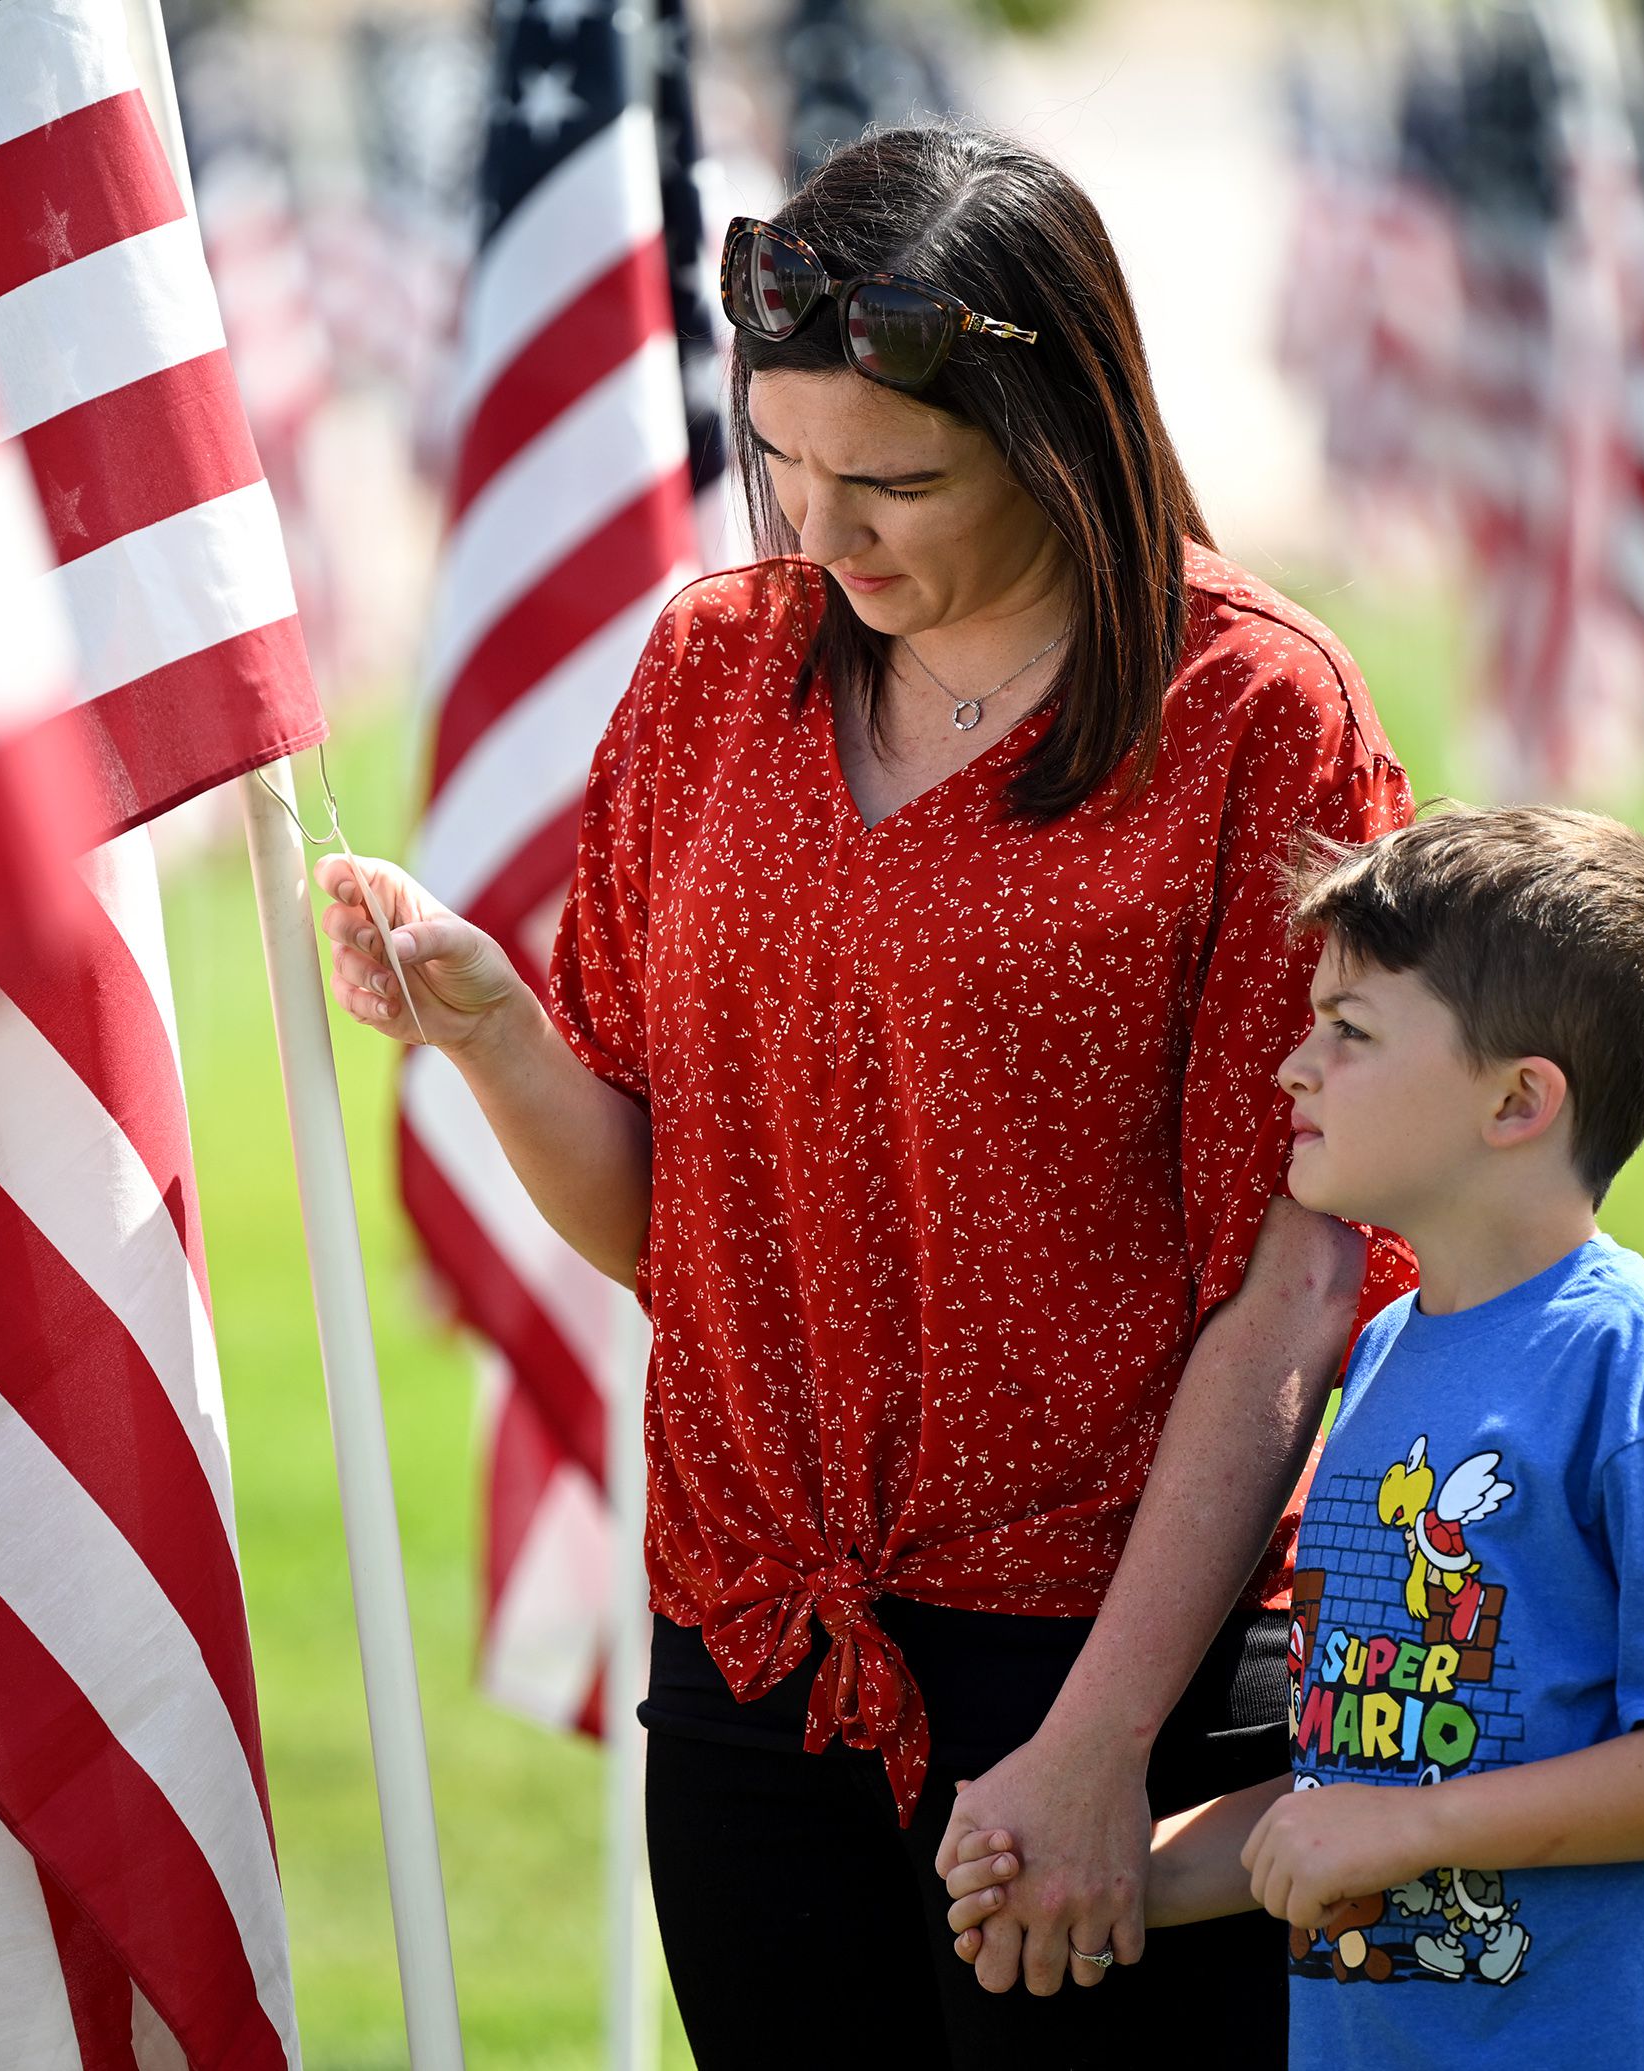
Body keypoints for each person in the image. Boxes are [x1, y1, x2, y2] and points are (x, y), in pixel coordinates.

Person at [318, 123, 1413, 2060]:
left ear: (1059, 428)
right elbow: (671, 1227)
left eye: (895, 478)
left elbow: (1299, 1277)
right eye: (785, 465)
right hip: (749, 1629)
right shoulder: (709, 668)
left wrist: (1099, 1745)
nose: (825, 533)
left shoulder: (1255, 708)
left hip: (1100, 1644)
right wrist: (492, 1032)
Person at [944, 807, 1644, 2064]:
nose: (1292, 1068)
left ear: (1519, 1101)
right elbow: (1358, 1788)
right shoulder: (1377, 1366)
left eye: (1350, 1033)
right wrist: (1104, 1872)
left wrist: (1414, 1832)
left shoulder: (1639, 1368)